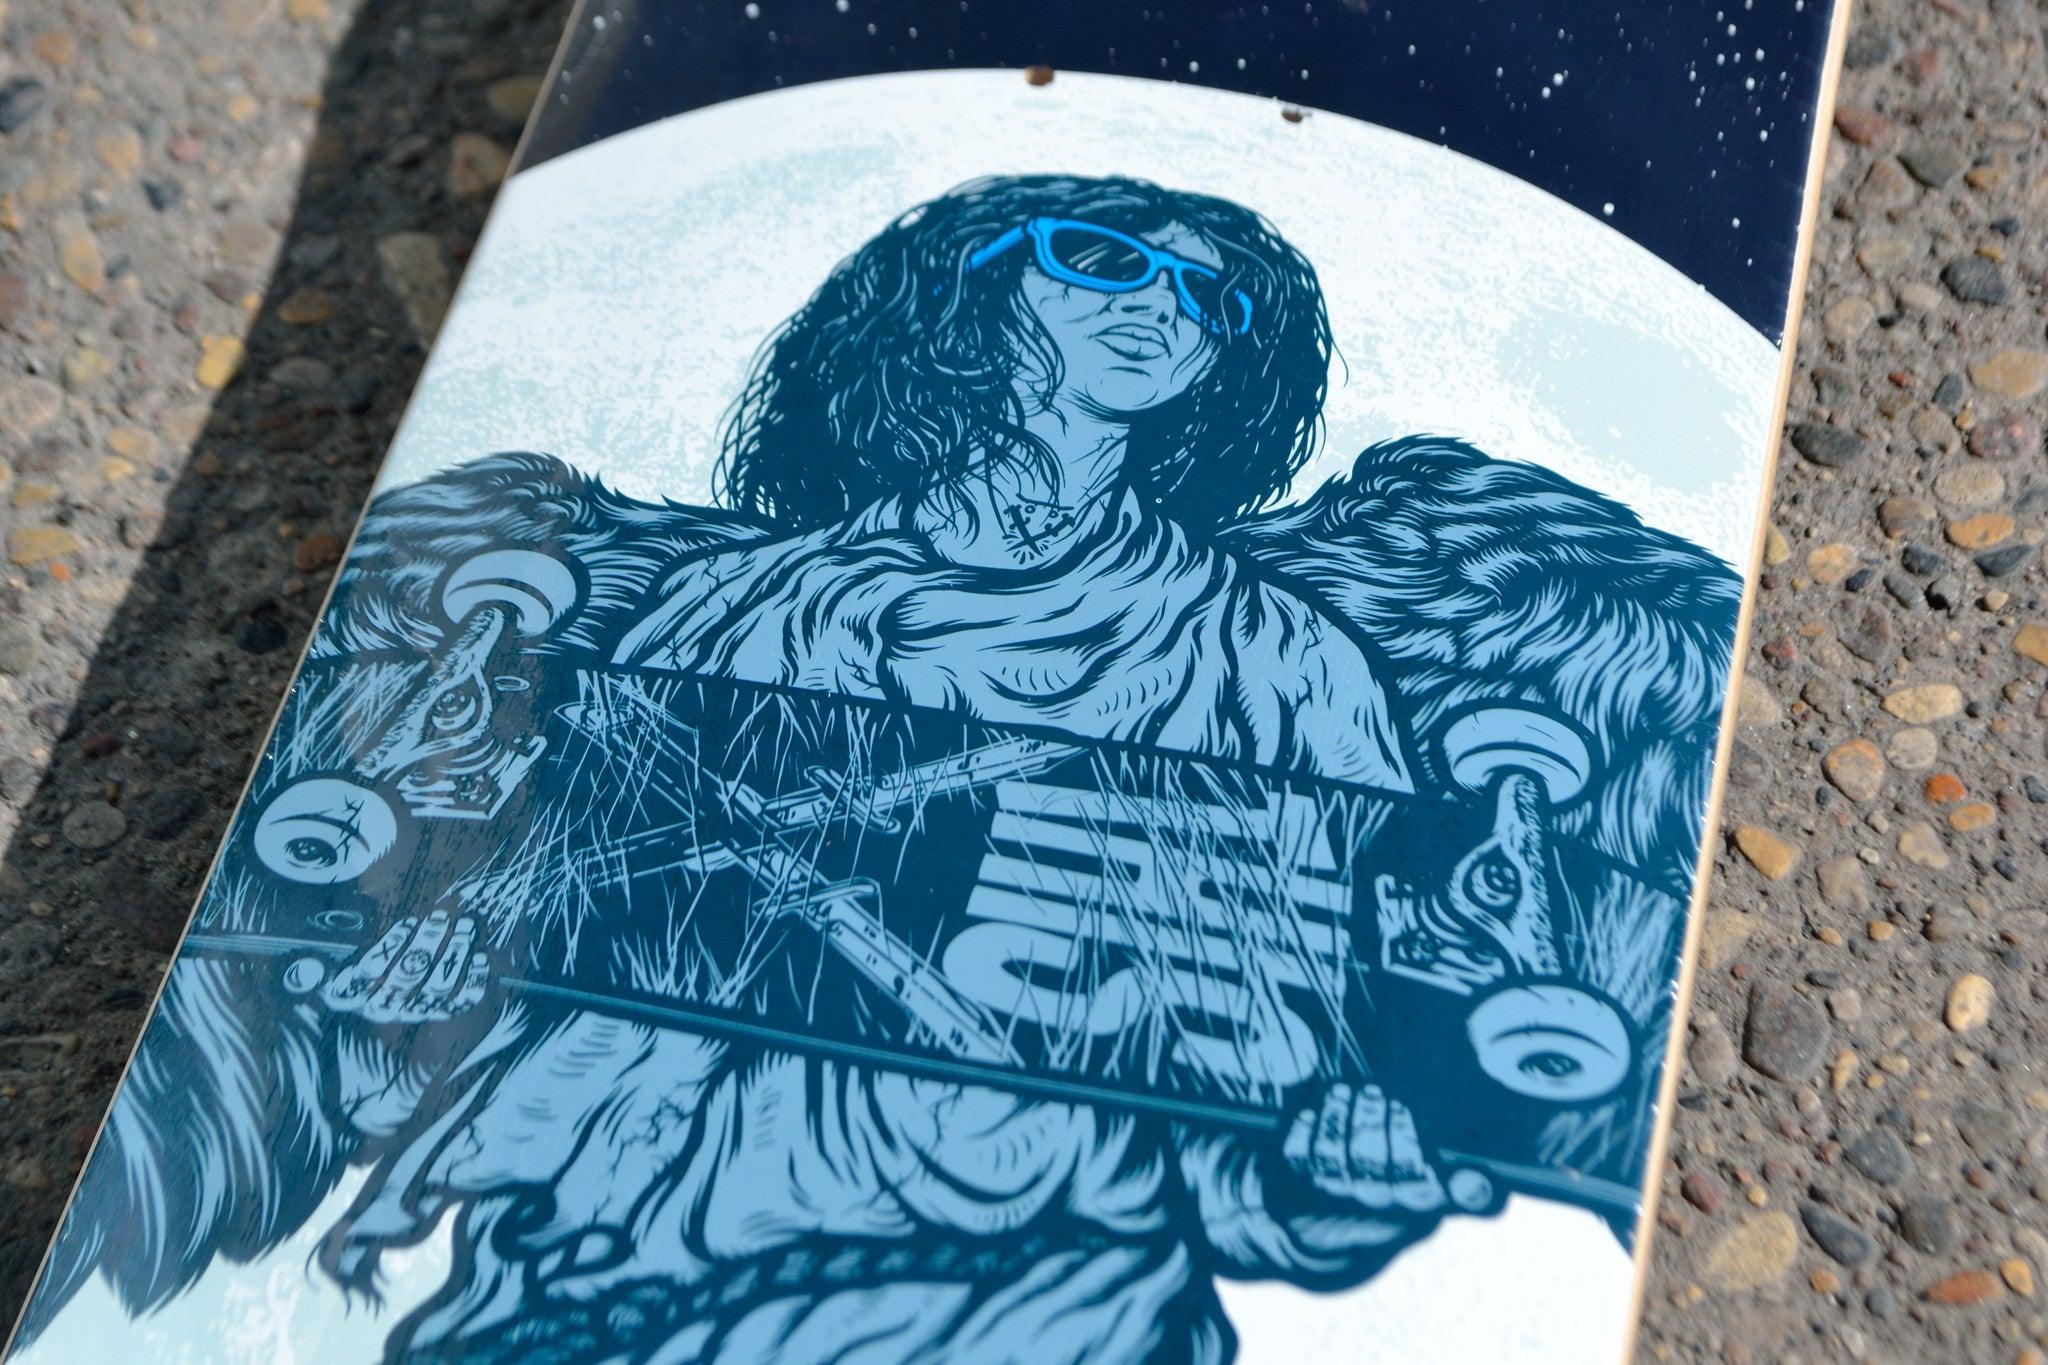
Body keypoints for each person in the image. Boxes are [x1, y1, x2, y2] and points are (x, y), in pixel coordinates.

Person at [315, 175, 1456, 1362]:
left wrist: (1339, 1172)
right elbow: (561, 924)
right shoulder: (732, 608)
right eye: (1105, 260)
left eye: (1209, 299)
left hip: (1040, 1294)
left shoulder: (1280, 665)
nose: (1164, 306)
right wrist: (432, 978)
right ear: (975, 286)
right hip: (634, 1265)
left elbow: (1306, 1036)